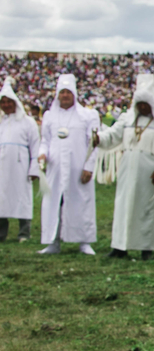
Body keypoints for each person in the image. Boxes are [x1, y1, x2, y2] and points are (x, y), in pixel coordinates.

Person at [94, 74, 154, 261]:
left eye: (146, 104)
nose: (143, 107)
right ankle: (119, 246)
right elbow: (112, 136)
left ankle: (146, 248)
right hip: (127, 168)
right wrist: (98, 138)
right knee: (122, 207)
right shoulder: (127, 119)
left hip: (150, 171)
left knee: (147, 208)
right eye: (140, 104)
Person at [37, 74, 101, 255]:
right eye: (62, 92)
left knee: (81, 203)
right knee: (54, 204)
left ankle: (84, 242)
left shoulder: (87, 115)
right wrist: (42, 154)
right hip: (55, 169)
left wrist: (89, 167)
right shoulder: (50, 116)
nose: (65, 96)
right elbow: (45, 140)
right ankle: (53, 242)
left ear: (74, 94)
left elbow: (93, 143)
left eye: (68, 92)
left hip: (78, 169)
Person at [0, 78, 40, 243]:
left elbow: (35, 146)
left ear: (15, 102)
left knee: (22, 197)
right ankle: (1, 233)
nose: (6, 105)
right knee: (1, 198)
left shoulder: (28, 122)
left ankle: (24, 232)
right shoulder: (1, 122)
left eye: (9, 101)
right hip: (2, 167)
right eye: (3, 102)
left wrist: (34, 168)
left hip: (21, 167)